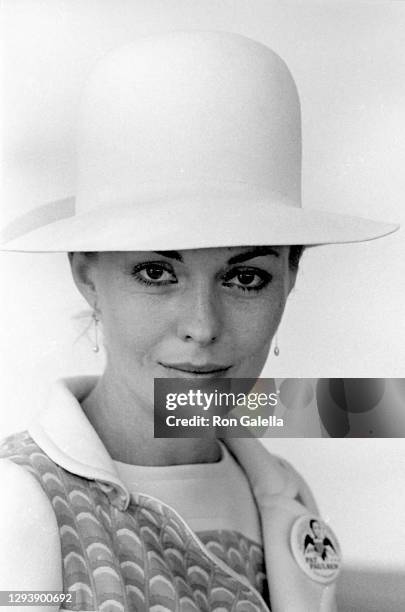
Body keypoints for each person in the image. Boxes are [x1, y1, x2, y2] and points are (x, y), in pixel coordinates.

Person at [0, 31, 397, 612]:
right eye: (157, 272)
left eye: (245, 278)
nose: (203, 327)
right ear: (87, 276)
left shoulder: (281, 490)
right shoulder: (20, 506)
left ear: (291, 275)